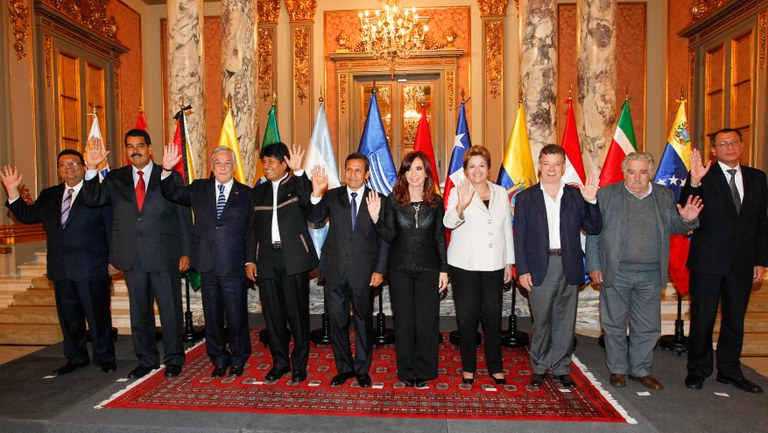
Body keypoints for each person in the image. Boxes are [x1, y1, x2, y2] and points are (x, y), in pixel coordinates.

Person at [586, 151, 702, 390]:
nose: (636, 177)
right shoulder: (606, 195)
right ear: (624, 173)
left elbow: (675, 226)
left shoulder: (664, 195)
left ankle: (640, 370)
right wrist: (594, 265)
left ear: (650, 174)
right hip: (615, 272)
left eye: (642, 172)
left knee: (648, 326)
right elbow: (594, 232)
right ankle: (617, 369)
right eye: (631, 172)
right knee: (614, 324)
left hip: (651, 274)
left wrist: (688, 220)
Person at [82, 129, 192, 379]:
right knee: (139, 311)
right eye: (130, 146)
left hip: (164, 254)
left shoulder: (168, 175)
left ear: (149, 148)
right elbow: (93, 199)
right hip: (132, 256)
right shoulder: (115, 178)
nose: (135, 150)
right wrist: (91, 167)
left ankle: (174, 359)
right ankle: (146, 359)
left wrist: (186, 251)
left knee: (170, 310)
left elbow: (182, 215)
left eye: (140, 145)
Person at [1, 150, 116, 376]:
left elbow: (112, 228)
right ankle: (76, 357)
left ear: (84, 167)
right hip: (61, 267)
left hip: (92, 266)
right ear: (58, 170)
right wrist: (12, 189)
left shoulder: (99, 193)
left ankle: (105, 357)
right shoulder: (49, 195)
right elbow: (28, 215)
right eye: (62, 164)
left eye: (74, 163)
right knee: (69, 317)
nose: (68, 167)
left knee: (98, 316)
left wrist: (114, 260)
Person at [681, 128, 768, 393]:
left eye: (734, 142)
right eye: (723, 144)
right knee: (703, 319)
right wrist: (694, 182)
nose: (730, 147)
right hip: (708, 262)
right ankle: (698, 371)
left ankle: (729, 371)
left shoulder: (757, 177)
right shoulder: (703, 176)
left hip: (742, 263)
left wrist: (760, 260)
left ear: (741, 146)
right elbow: (685, 210)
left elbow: (761, 223)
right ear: (714, 150)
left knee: (735, 320)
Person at [160, 145, 253, 378]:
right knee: (212, 316)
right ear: (211, 167)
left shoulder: (247, 193)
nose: (222, 167)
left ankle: (239, 358)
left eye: (227, 163)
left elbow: (251, 231)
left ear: (234, 167)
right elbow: (172, 193)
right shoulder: (199, 188)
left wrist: (250, 260)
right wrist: (166, 169)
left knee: (236, 316)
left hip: (233, 265)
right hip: (207, 265)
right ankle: (219, 359)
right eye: (218, 163)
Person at [513, 144, 602, 388]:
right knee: (541, 321)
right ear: (539, 166)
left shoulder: (576, 196)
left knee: (565, 321)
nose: (551, 169)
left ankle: (562, 368)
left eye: (557, 164)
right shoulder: (526, 197)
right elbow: (519, 237)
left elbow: (593, 228)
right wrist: (522, 269)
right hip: (540, 266)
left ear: (563, 167)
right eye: (546, 164)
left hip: (569, 264)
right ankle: (540, 367)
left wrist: (592, 200)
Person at [365, 151, 448, 388]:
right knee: (404, 322)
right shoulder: (394, 200)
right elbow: (389, 234)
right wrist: (375, 218)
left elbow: (439, 238)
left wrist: (444, 269)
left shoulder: (436, 202)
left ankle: (425, 370)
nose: (413, 174)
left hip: (429, 268)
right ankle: (407, 370)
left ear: (426, 173)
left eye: (419, 169)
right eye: (409, 169)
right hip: (399, 269)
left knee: (427, 321)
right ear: (404, 173)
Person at [309, 153, 389, 388]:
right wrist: (315, 193)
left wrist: (379, 270)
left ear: (367, 174)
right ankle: (344, 368)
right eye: (349, 170)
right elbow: (314, 217)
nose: (353, 175)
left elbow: (385, 239)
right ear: (344, 173)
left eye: (358, 170)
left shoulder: (378, 199)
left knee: (363, 321)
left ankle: (362, 369)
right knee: (337, 321)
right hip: (335, 269)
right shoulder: (332, 196)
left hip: (364, 272)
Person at [245, 142, 317, 383]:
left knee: (298, 316)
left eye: (271, 162)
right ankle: (280, 363)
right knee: (273, 317)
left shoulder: (297, 185)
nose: (266, 166)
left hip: (294, 259)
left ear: (284, 163)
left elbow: (310, 205)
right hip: (266, 260)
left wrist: (299, 172)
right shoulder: (258, 192)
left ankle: (299, 366)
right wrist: (249, 260)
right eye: (264, 162)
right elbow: (251, 230)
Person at [443, 145, 514, 386]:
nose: (477, 170)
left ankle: (496, 367)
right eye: (472, 166)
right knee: (467, 319)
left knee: (493, 318)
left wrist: (508, 262)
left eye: (481, 165)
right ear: (465, 170)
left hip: (494, 264)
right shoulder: (457, 192)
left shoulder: (501, 192)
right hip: (465, 265)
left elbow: (506, 230)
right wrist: (461, 205)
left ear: (488, 168)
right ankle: (468, 368)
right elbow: (448, 222)